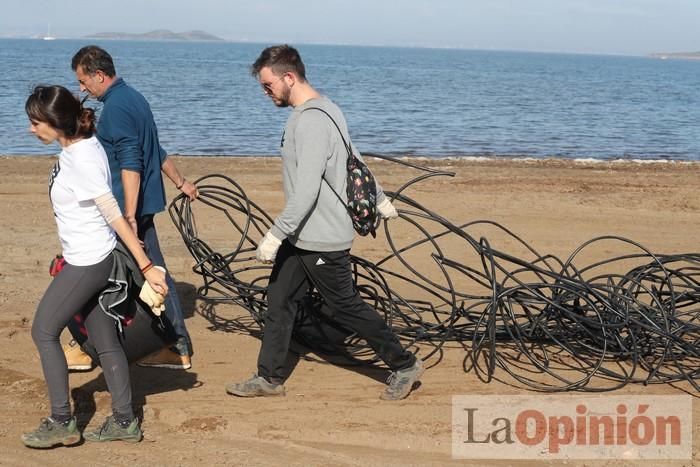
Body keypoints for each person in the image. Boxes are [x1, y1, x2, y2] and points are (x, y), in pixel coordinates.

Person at [225, 45, 425, 401]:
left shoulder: (312, 120)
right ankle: (268, 378)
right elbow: (355, 159)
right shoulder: (326, 108)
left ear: (289, 77)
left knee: (347, 306)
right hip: (303, 236)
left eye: (268, 84)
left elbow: (306, 192)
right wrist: (379, 197)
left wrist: (274, 235)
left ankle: (405, 364)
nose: (265, 92)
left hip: (321, 237)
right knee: (279, 299)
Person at [21, 85, 169, 448]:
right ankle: (124, 421)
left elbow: (114, 214)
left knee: (43, 331)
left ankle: (61, 421)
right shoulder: (80, 148)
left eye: (34, 122)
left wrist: (147, 264)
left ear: (55, 122)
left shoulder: (83, 157)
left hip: (88, 262)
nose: (30, 129)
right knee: (104, 340)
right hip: (92, 254)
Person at [68, 45, 196, 370]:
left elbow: (131, 162)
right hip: (137, 208)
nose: (81, 88)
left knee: (105, 273)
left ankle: (89, 347)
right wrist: (182, 183)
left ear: (99, 75)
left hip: (128, 211)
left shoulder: (116, 109)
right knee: (145, 272)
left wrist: (128, 215)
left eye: (83, 81)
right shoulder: (135, 98)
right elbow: (156, 149)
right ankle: (175, 345)